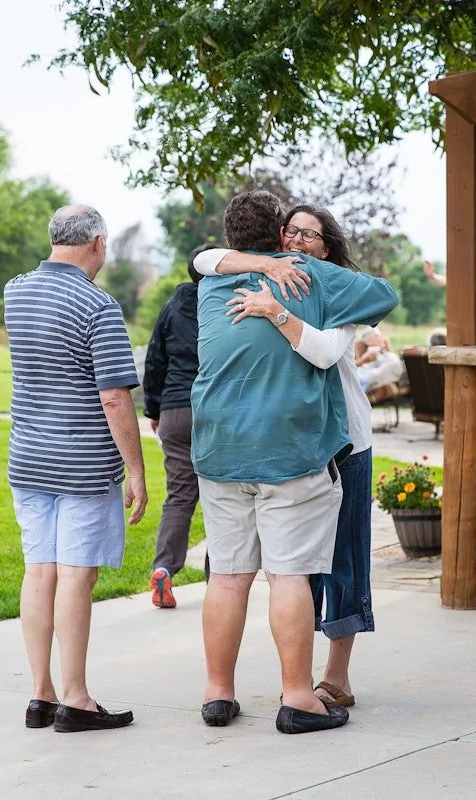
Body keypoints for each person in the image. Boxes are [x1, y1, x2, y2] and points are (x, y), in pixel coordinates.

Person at [191, 191, 398, 735]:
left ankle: (218, 694)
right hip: (290, 453)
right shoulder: (310, 275)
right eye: (293, 234)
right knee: (289, 577)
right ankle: (298, 699)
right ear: (280, 234)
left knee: (229, 577)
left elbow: (202, 257)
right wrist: (286, 271)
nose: (299, 243)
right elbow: (386, 293)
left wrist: (263, 275)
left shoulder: (211, 283)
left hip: (219, 451)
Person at [3, 204, 147, 733]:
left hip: (28, 457)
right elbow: (114, 397)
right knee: (74, 579)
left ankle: (40, 696)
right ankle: (76, 698)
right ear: (98, 244)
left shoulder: (15, 292)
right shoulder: (98, 305)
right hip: (82, 464)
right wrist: (135, 468)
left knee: (39, 572)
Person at [141, 247, 208, 609]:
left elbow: (155, 360)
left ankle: (164, 568)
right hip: (215, 411)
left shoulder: (172, 307)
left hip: (175, 411)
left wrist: (155, 408)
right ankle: (222, 577)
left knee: (180, 495)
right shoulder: (224, 305)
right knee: (221, 496)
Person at [354, 325, 404, 390]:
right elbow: (363, 368)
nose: (381, 338)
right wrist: (362, 361)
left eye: (379, 336)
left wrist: (387, 350)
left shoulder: (386, 352)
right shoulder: (369, 353)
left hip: (388, 369)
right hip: (370, 374)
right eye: (376, 336)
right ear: (369, 342)